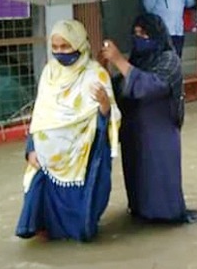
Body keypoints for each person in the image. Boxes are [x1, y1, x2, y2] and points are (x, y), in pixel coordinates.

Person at [16, 20, 122, 242]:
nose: (59, 52)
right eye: (55, 47)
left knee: (77, 223)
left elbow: (110, 118)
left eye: (65, 47)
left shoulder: (96, 74)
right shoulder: (49, 73)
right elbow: (40, 114)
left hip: (80, 160)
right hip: (46, 161)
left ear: (79, 44)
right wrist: (31, 148)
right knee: (43, 218)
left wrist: (104, 105)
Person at [101, 14, 197, 224]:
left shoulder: (169, 59)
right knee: (138, 182)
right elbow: (119, 88)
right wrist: (105, 66)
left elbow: (152, 86)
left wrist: (118, 60)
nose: (140, 38)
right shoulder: (138, 60)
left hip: (160, 134)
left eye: (146, 33)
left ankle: (166, 218)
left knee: (160, 181)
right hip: (135, 134)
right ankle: (141, 215)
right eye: (137, 34)